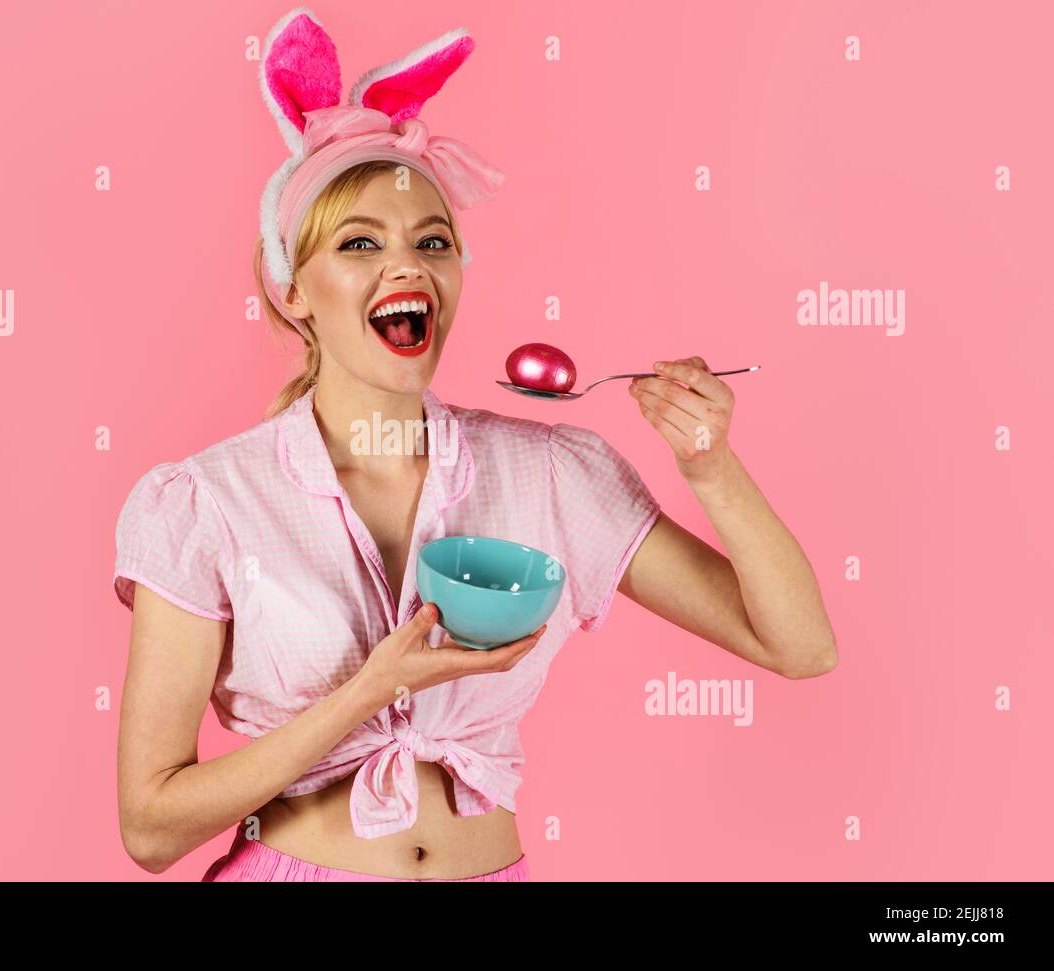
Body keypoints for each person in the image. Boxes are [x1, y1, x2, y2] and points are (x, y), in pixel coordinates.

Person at [112, 8, 838, 882]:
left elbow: (800, 646)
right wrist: (368, 692)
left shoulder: (548, 475)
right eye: (359, 244)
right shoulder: (210, 501)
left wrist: (710, 466)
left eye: (433, 242)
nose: (408, 266)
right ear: (292, 291)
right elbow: (150, 827)